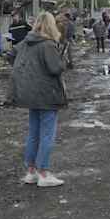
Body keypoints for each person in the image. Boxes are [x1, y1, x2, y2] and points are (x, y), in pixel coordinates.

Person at [11, 11, 68, 187]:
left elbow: (11, 55)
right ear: (51, 25)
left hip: (30, 94)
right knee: (47, 134)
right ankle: (44, 173)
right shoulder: (48, 44)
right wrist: (63, 60)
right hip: (46, 94)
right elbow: (55, 68)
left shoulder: (26, 42)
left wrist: (27, 73)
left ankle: (31, 172)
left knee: (34, 133)